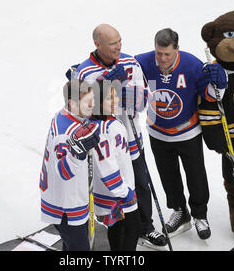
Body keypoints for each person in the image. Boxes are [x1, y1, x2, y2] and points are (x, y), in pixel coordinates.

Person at [70, 24, 168, 249]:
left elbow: (144, 103)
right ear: (98, 44)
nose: (119, 47)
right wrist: (104, 87)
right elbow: (80, 112)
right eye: (113, 43)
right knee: (112, 188)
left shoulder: (130, 63)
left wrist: (122, 91)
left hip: (131, 138)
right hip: (104, 145)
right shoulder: (83, 72)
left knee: (141, 184)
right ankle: (116, 229)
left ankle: (145, 228)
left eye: (120, 41)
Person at [135, 28, 227, 240]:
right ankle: (180, 211)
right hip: (158, 132)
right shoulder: (143, 62)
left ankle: (199, 214)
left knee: (195, 175)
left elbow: (212, 96)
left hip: (188, 132)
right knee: (168, 176)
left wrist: (220, 83)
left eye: (167, 54)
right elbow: (121, 65)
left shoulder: (192, 65)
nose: (162, 58)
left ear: (177, 49)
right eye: (159, 53)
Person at [39, 79, 100, 251]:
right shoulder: (64, 134)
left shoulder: (64, 114)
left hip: (65, 198)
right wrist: (77, 152)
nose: (93, 105)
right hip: (65, 207)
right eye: (88, 102)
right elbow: (64, 172)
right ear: (72, 103)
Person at [90, 79, 141, 251]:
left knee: (116, 228)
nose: (115, 102)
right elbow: (108, 166)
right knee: (133, 228)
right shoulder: (109, 128)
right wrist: (124, 192)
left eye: (115, 97)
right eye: (109, 99)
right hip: (119, 192)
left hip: (106, 192)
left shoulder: (95, 124)